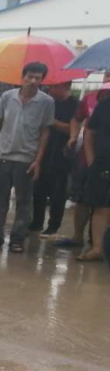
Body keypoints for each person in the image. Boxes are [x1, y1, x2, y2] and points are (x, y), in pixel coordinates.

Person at [0, 62, 54, 253]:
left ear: (42, 80)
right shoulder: (7, 97)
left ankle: (17, 240)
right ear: (23, 77)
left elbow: (45, 132)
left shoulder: (46, 102)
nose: (33, 81)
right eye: (30, 77)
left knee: (24, 203)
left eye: (38, 78)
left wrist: (38, 160)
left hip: (26, 159)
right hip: (3, 157)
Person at [31, 83, 80, 238]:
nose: (50, 90)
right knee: (38, 188)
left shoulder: (75, 104)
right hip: (43, 150)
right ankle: (36, 222)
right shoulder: (48, 101)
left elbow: (73, 129)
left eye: (54, 87)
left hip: (63, 153)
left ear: (65, 86)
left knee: (58, 192)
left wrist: (51, 121)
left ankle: (53, 226)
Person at [76, 94, 110, 262]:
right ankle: (97, 248)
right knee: (100, 206)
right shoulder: (105, 105)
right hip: (103, 163)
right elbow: (89, 131)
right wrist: (91, 160)